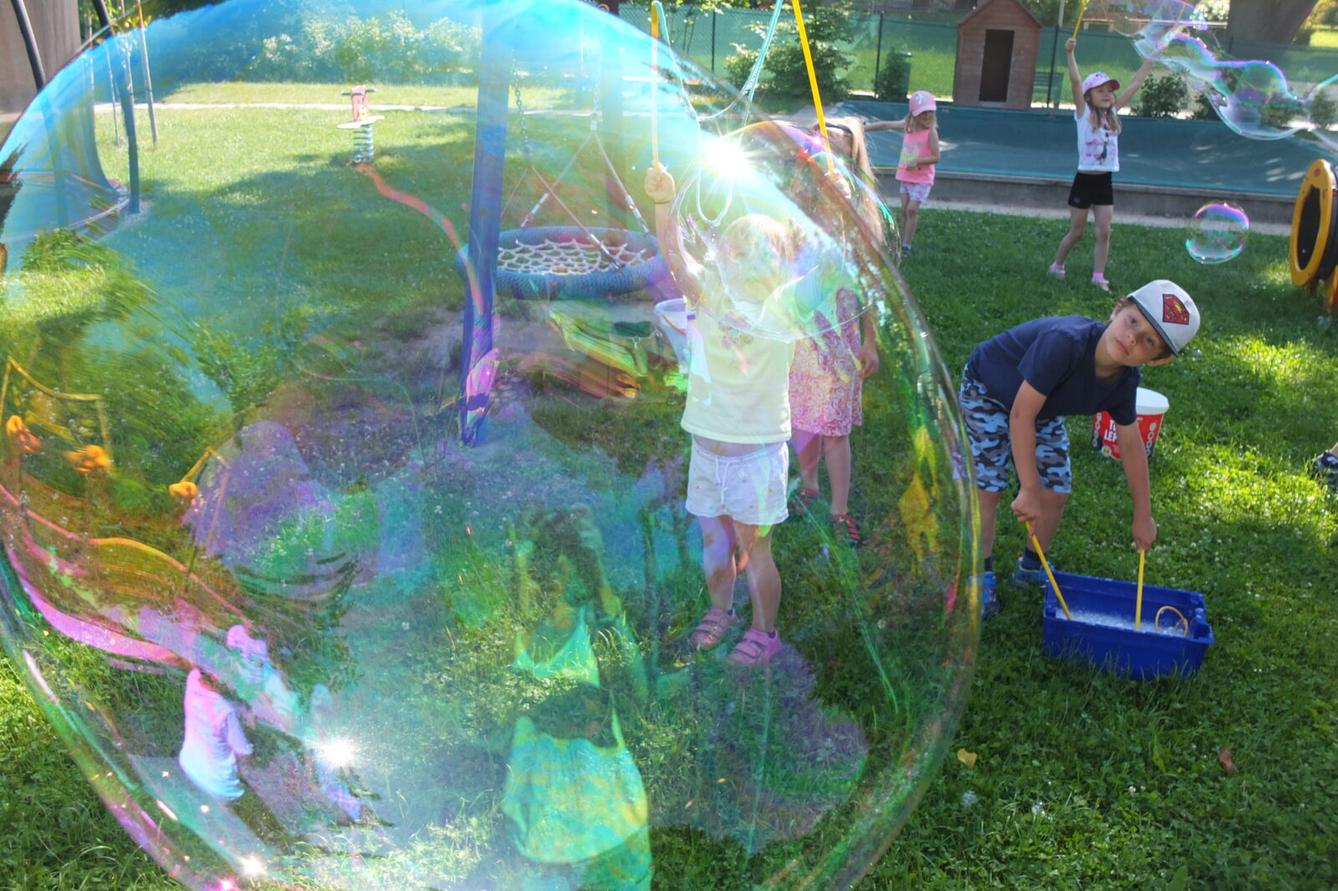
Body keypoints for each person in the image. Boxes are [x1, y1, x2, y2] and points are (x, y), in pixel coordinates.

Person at [644, 154, 814, 665]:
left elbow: (822, 273)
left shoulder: (784, 309)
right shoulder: (711, 293)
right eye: (734, 249)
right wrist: (664, 204)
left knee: (755, 548)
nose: (740, 259)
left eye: (758, 253)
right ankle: (719, 611)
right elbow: (675, 256)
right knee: (715, 543)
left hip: (755, 456)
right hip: (707, 448)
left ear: (781, 268)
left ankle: (765, 632)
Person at [959, 280, 1201, 617]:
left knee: (1055, 491)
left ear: (1158, 360)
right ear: (1117, 310)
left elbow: (1131, 447)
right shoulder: (1066, 343)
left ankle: (1030, 565)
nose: (1131, 338)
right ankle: (977, 573)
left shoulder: (1125, 382)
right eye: (1133, 321)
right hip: (990, 391)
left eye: (1148, 341)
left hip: (1040, 408)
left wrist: (1142, 515)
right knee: (988, 488)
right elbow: (1020, 414)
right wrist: (1028, 487)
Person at [787, 120, 882, 546]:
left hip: (839, 337)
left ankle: (839, 509)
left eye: (839, 152)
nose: (829, 160)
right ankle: (808, 487)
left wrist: (870, 340)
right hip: (799, 330)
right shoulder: (796, 207)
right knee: (803, 419)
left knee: (834, 428)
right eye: (821, 149)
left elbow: (875, 284)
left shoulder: (858, 216)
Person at [1049, 37, 1158, 291]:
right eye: (1101, 90)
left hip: (1104, 181)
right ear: (1088, 96)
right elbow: (1075, 81)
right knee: (1077, 232)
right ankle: (1057, 265)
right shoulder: (1082, 114)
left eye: (1110, 90)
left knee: (1104, 231)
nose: (1107, 94)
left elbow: (1135, 83)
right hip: (1084, 181)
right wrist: (1070, 53)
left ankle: (1098, 276)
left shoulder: (1113, 115)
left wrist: (1152, 58)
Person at [866, 90, 939, 257]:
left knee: (912, 210)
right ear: (914, 113)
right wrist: (864, 129)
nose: (927, 116)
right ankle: (902, 242)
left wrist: (917, 162)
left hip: (922, 179)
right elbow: (885, 125)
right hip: (906, 177)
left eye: (930, 112)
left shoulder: (931, 133)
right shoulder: (908, 127)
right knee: (904, 210)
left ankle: (907, 246)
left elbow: (936, 157)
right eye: (923, 113)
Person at [178, 665, 253, 800]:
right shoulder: (225, 710)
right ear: (216, 677)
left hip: (188, 762)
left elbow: (213, 703)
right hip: (221, 785)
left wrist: (242, 708)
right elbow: (245, 754)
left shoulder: (194, 679)